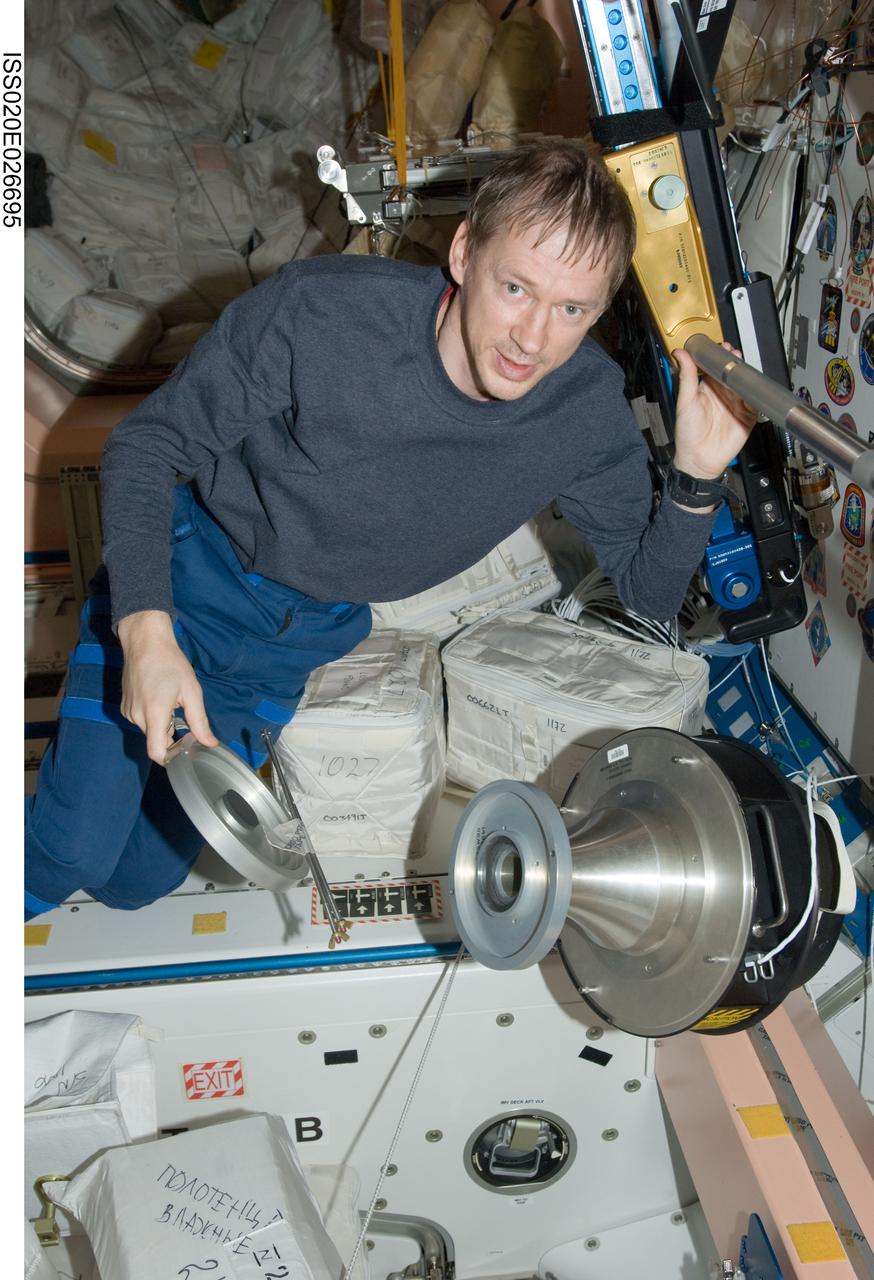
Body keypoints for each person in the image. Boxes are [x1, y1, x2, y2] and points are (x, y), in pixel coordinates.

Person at [24, 141, 755, 918]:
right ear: (466, 250)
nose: (532, 339)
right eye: (516, 288)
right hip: (186, 582)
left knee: (134, 882)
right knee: (68, 850)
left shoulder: (581, 413)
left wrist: (697, 476)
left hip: (293, 646)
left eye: (571, 310)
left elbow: (647, 595)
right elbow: (147, 444)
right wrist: (145, 633)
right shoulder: (322, 315)